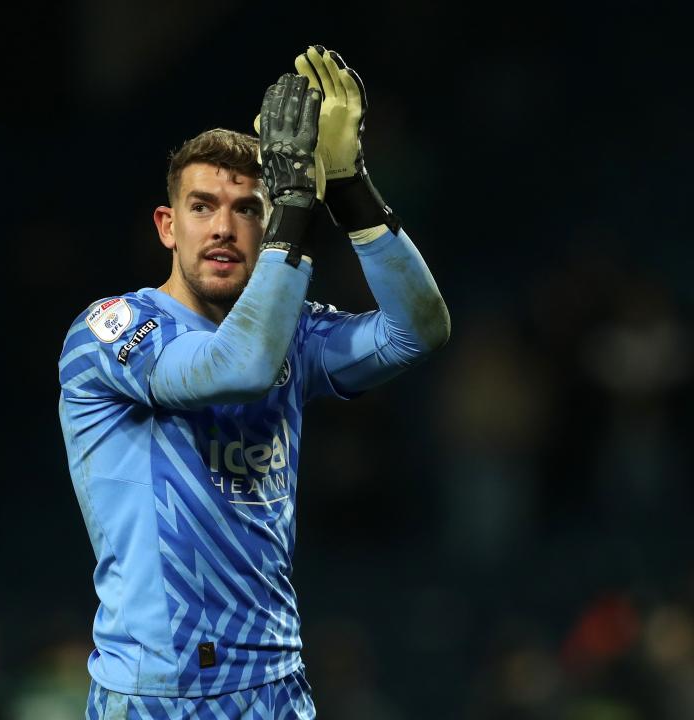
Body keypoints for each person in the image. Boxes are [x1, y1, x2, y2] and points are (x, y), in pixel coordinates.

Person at [58, 46, 450, 719]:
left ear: (269, 226)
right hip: (156, 697)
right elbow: (234, 369)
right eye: (203, 206)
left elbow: (418, 330)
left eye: (247, 209)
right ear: (167, 226)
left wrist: (347, 184)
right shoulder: (111, 332)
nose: (223, 228)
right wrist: (296, 202)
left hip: (275, 688)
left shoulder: (290, 331)